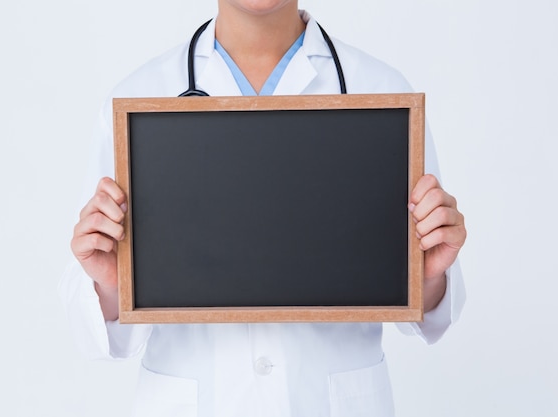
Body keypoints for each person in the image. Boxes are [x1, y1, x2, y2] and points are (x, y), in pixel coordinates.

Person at [59, 1, 467, 416]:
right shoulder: (138, 100)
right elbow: (96, 331)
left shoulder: (383, 92)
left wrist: (428, 274)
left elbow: (423, 311)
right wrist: (113, 284)